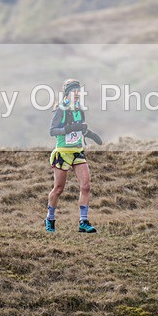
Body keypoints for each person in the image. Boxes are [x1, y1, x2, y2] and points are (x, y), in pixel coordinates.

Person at [45, 79, 103, 233]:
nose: (77, 93)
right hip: (63, 153)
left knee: (86, 186)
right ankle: (50, 219)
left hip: (77, 151)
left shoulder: (79, 109)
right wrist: (69, 128)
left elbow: (80, 129)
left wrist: (90, 134)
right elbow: (52, 131)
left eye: (79, 90)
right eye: (74, 90)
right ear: (67, 93)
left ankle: (83, 222)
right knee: (58, 189)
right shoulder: (60, 110)